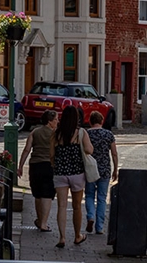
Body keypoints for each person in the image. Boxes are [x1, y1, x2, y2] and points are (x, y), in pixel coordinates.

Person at [52, 105, 93, 248]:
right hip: (77, 174)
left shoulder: (56, 134)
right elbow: (88, 150)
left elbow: (51, 155)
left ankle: (62, 237)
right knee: (77, 206)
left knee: (61, 206)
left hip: (60, 174)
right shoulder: (81, 133)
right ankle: (77, 236)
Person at [17, 110, 58, 232]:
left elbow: (27, 150)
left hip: (35, 165)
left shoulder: (35, 132)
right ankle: (44, 223)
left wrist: (20, 166)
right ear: (50, 121)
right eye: (56, 119)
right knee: (47, 194)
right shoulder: (55, 134)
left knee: (38, 194)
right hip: (50, 166)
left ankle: (40, 220)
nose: (57, 122)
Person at [84, 110, 118, 234]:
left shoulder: (86, 134)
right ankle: (99, 227)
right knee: (102, 198)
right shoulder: (108, 134)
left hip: (90, 169)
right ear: (102, 121)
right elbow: (114, 153)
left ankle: (90, 216)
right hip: (105, 170)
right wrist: (115, 169)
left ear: (90, 121)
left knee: (89, 195)